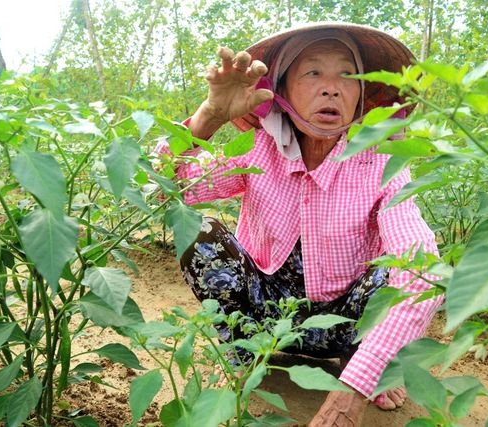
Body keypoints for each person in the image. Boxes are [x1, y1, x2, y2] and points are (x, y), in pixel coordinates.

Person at [154, 22, 441, 426]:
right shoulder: (259, 149)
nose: (331, 87)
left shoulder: (381, 162)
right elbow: (168, 190)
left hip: (346, 322)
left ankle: (363, 360)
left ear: (361, 96)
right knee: (197, 233)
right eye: (313, 73)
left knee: (400, 269)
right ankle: (242, 351)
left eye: (348, 75)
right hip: (268, 314)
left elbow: (422, 269)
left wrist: (355, 390)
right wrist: (210, 115)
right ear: (282, 90)